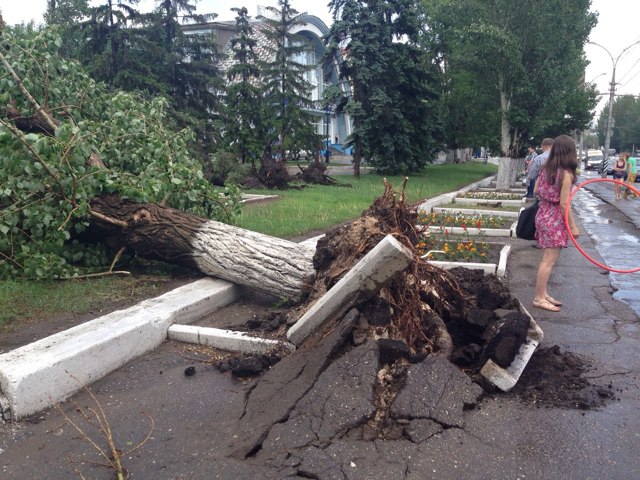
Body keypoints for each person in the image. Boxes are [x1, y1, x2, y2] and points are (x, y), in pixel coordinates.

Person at [532, 134, 580, 312]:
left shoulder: (546, 169)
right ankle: (539, 297)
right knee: (549, 260)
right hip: (553, 218)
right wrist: (573, 227)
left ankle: (543, 294)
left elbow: (536, 189)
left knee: (547, 259)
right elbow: (564, 203)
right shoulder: (566, 174)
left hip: (542, 214)